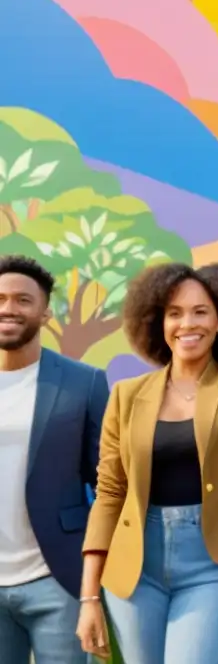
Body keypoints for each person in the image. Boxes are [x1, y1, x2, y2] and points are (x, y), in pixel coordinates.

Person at [76, 216, 218, 663]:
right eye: (175, 313)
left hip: (211, 561)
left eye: (201, 312)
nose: (188, 324)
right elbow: (109, 494)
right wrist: (88, 599)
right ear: (157, 323)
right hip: (135, 564)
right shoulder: (126, 396)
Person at [0, 255, 109, 664]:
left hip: (58, 579)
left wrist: (94, 588)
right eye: (1, 298)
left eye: (22, 300)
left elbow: (108, 486)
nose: (8, 308)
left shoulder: (85, 383)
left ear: (45, 312)